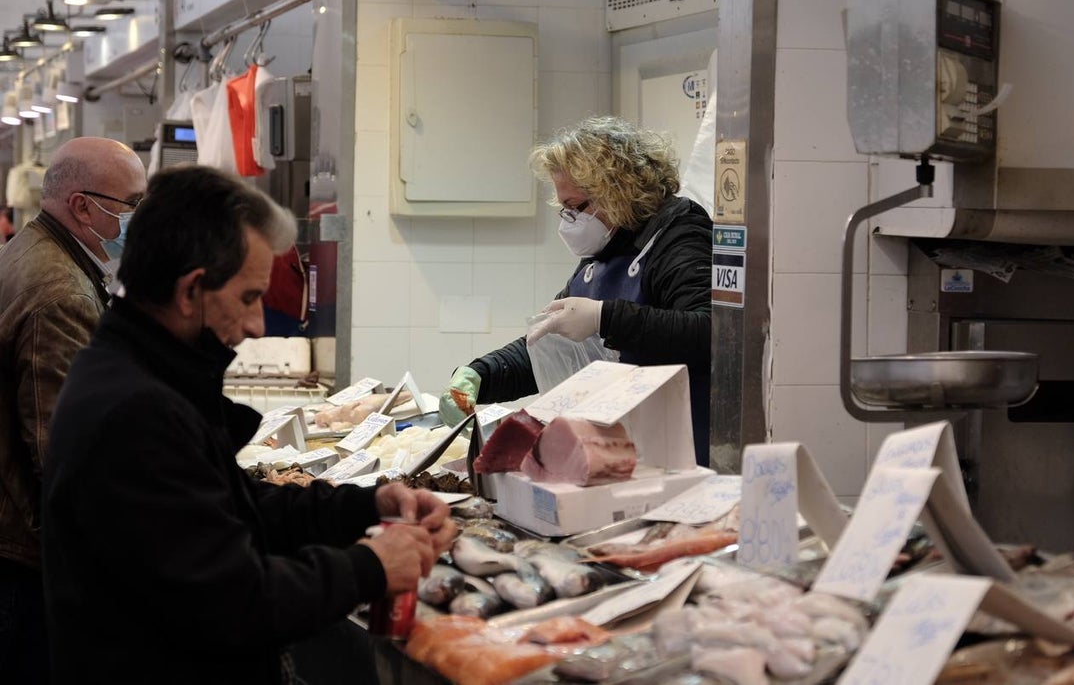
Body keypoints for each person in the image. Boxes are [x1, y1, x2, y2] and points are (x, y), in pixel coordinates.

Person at [41, 166, 457, 684]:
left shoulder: (147, 373)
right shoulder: (135, 409)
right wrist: (367, 567)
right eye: (248, 297)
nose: (259, 324)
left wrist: (367, 504)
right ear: (192, 290)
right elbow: (227, 600)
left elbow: (234, 509)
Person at [438, 116, 714, 465]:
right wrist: (482, 373)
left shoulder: (680, 235)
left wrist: (604, 317)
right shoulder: (606, 247)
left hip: (678, 452)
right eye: (563, 208)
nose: (569, 220)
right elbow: (551, 343)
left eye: (575, 207)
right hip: (614, 450)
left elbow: (709, 332)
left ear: (617, 190)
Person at [0, 137, 147, 683]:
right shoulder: (61, 292)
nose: (137, 218)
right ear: (83, 205)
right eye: (130, 204)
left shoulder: (28, 251)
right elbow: (62, 452)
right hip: (25, 562)